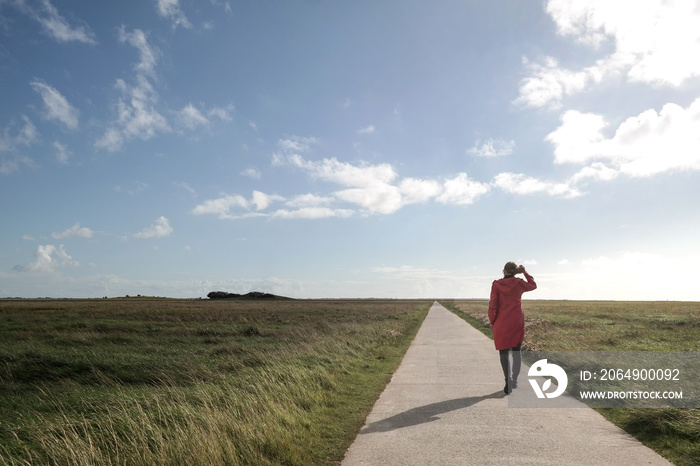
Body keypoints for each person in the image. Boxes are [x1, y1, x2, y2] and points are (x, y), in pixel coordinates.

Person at [488, 261, 537, 394]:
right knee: (516, 351)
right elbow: (533, 285)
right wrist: (525, 272)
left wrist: (493, 321)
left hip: (502, 322)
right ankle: (514, 381)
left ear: (504, 271)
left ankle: (507, 380)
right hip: (517, 321)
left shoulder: (497, 285)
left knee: (503, 352)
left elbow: (493, 304)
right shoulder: (519, 283)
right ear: (515, 272)